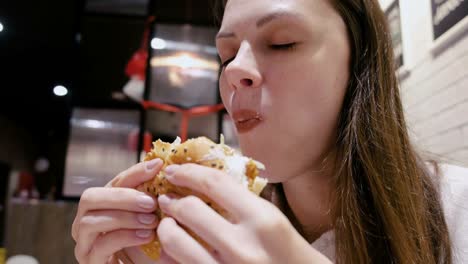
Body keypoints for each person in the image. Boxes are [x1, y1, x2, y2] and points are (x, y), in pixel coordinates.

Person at [71, 0, 468, 263]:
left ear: (360, 62)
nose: (234, 71)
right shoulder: (204, 233)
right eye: (226, 54)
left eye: (282, 43)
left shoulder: (458, 210)